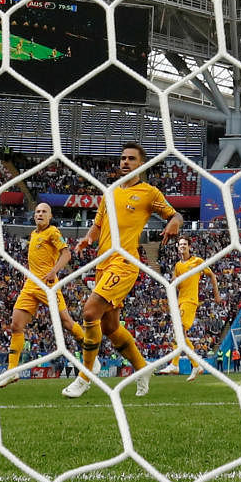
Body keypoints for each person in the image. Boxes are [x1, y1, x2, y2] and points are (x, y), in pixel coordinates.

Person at [62, 142, 183, 399]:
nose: (125, 162)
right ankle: (142, 368)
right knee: (110, 327)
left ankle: (85, 375)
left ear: (141, 164)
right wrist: (88, 239)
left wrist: (173, 223)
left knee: (89, 311)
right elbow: (97, 225)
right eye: (123, 158)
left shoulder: (149, 193)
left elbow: (176, 216)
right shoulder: (110, 192)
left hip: (126, 263)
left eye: (131, 159)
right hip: (104, 263)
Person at [0, 203, 87, 388]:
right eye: (37, 211)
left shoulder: (53, 232)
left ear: (50, 216)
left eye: (44, 211)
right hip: (31, 285)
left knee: (67, 323)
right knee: (16, 325)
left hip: (48, 285)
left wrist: (54, 271)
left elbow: (66, 254)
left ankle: (91, 353)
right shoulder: (34, 234)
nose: (40, 214)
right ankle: (12, 371)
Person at [158, 237, 219, 381]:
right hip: (180, 301)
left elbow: (212, 275)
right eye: (180, 245)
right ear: (177, 248)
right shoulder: (178, 265)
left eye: (185, 244)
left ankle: (175, 364)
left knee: (178, 331)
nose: (182, 246)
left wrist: (216, 295)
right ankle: (196, 365)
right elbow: (176, 284)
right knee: (181, 336)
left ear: (189, 246)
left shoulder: (197, 261)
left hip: (190, 301)